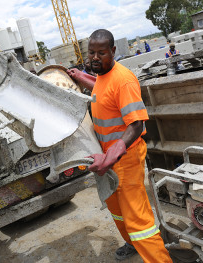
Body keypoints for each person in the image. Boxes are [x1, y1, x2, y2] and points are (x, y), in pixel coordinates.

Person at [67, 29, 172, 262]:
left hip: (125, 158)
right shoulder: (103, 76)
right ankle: (131, 244)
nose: (95, 57)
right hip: (110, 158)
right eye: (91, 52)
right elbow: (101, 89)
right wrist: (79, 77)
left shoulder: (124, 80)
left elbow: (136, 125)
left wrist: (111, 155)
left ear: (113, 51)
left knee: (138, 220)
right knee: (117, 210)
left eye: (101, 53)